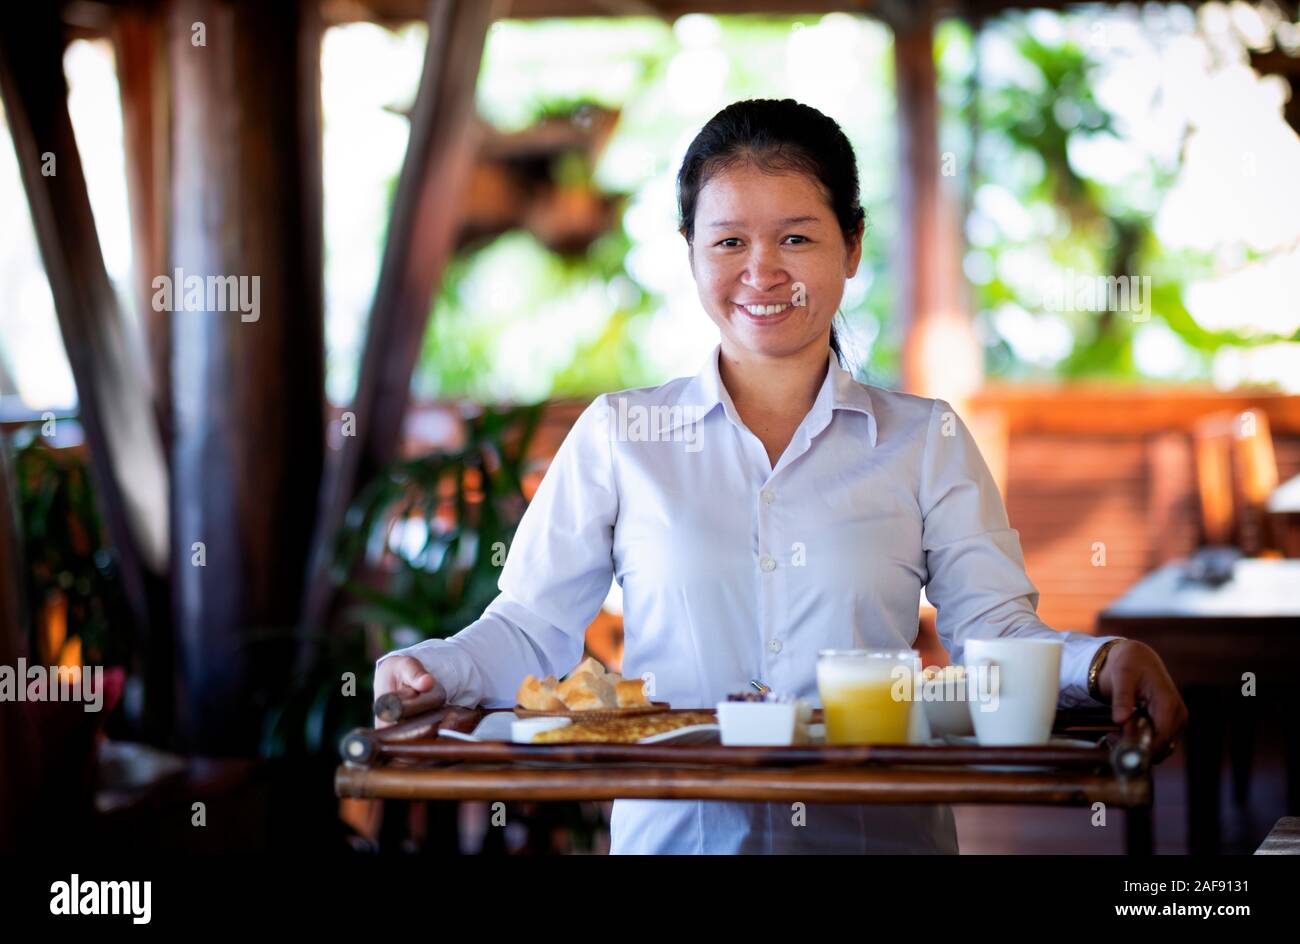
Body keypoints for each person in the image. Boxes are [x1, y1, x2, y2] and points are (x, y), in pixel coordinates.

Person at [375, 98, 1188, 854]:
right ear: (690, 251)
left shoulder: (924, 440)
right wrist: (433, 669)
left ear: (853, 245)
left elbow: (996, 640)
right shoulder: (621, 436)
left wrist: (1100, 662)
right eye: (729, 241)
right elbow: (530, 630)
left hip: (873, 841)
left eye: (796, 237)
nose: (761, 272)